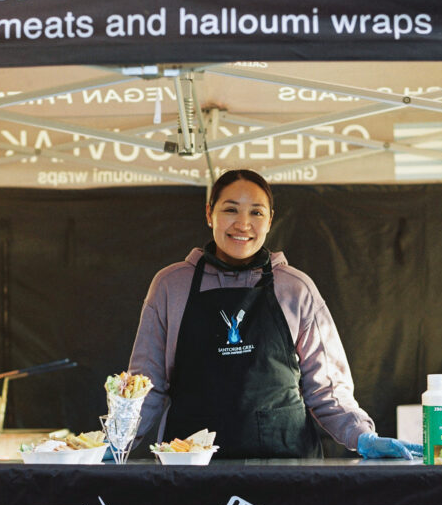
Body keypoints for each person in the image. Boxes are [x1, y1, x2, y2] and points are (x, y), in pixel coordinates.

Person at [128, 168, 421, 460]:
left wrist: (362, 436)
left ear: (270, 220)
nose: (243, 224)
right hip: (190, 469)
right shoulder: (170, 286)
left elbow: (327, 391)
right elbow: (144, 387)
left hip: (285, 470)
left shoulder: (296, 288)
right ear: (209, 214)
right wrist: (118, 442)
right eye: (231, 209)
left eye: (256, 213)